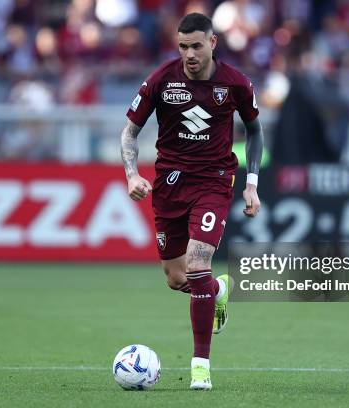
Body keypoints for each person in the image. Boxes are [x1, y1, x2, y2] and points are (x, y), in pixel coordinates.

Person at [119, 12, 263, 390]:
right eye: (183, 46)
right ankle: (217, 291)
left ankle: (201, 366)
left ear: (213, 43)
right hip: (169, 186)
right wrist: (132, 174)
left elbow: (255, 130)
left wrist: (251, 183)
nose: (189, 54)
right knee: (176, 277)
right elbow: (130, 132)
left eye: (196, 45)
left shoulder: (235, 84)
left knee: (199, 264)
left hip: (214, 183)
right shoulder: (162, 80)